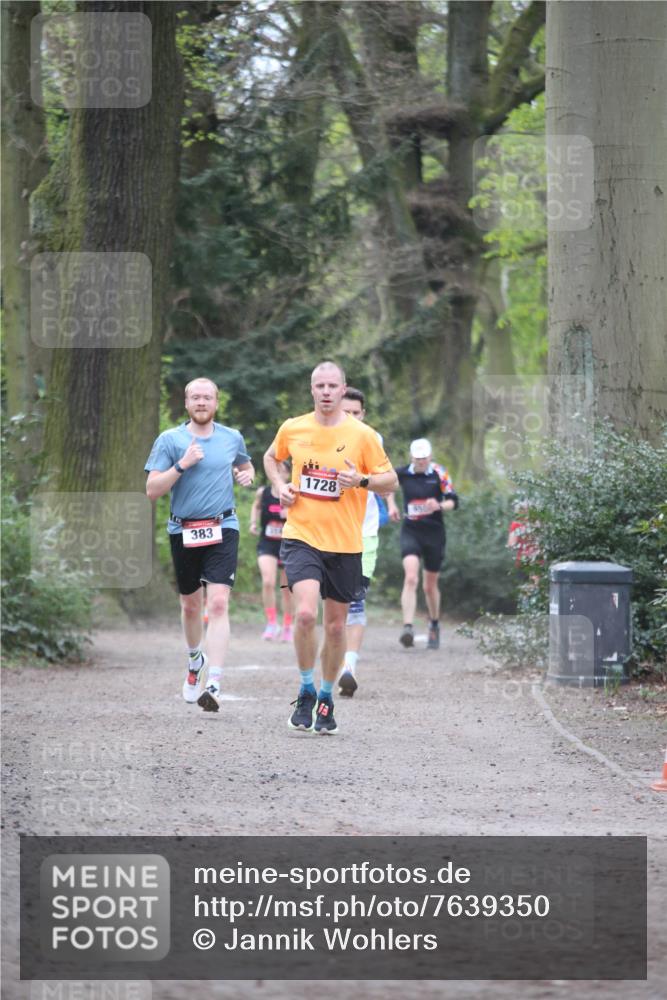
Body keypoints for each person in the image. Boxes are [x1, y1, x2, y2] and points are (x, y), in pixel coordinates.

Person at [263, 361, 397, 734]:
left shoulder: (363, 435)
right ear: (312, 390)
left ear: (343, 389)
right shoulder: (294, 428)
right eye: (319, 385)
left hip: (346, 543)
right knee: (306, 615)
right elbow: (272, 458)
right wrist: (279, 485)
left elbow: (392, 481)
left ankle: (326, 696)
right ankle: (306, 689)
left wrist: (362, 480)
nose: (325, 391)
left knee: (336, 628)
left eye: (332, 385)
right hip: (301, 535)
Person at [144, 377, 255, 712]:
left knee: (218, 604)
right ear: (187, 402)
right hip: (184, 530)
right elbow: (152, 490)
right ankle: (195, 661)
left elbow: (244, 464)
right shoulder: (170, 440)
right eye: (196, 397)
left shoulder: (231, 437)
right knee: (191, 606)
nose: (202, 402)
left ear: (216, 402)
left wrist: (246, 475)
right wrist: (182, 465)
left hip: (224, 526)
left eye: (207, 397)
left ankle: (215, 683)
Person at [387, 438, 458, 650]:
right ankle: (407, 627)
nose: (421, 462)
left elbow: (454, 501)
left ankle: (434, 623)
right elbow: (387, 486)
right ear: (411, 457)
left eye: (424, 458)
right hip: (411, 531)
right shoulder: (403, 473)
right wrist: (391, 505)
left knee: (429, 586)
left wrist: (438, 505)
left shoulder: (440, 473)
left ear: (430, 456)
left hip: (434, 533)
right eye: (417, 459)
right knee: (410, 577)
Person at [337, 387, 384, 698]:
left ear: (363, 415)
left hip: (363, 532)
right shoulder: (319, 434)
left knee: (355, 601)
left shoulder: (372, 439)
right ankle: (335, 664)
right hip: (326, 532)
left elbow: (387, 481)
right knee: (333, 606)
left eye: (356, 413)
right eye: (347, 412)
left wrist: (363, 480)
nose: (351, 418)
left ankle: (349, 668)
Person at [249, 462, 293, 641]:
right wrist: (253, 523)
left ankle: (288, 626)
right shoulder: (263, 492)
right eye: (276, 470)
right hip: (267, 544)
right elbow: (256, 506)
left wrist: (289, 514)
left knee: (285, 588)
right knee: (268, 581)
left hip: (287, 545)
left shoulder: (292, 494)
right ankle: (272, 623)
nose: (278, 474)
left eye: (282, 471)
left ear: (288, 475)